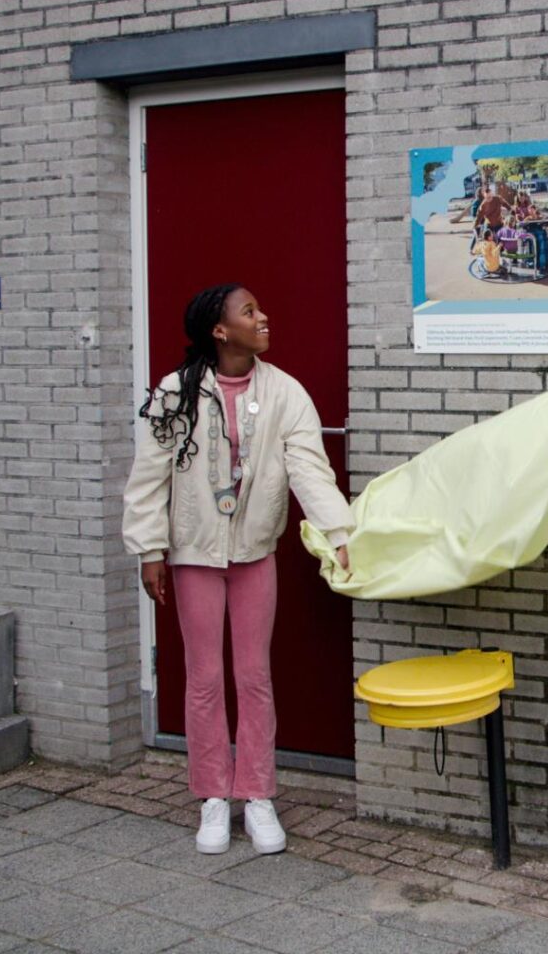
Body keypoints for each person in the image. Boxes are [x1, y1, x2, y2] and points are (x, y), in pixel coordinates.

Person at [123, 283, 355, 858]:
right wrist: (150, 549)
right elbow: (149, 477)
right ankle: (211, 797)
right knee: (204, 679)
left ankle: (256, 794)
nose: (263, 317)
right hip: (194, 554)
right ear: (220, 331)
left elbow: (309, 468)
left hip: (255, 553)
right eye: (249, 312)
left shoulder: (285, 392)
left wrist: (338, 530)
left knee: (253, 677)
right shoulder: (175, 393)